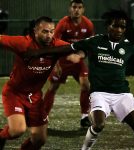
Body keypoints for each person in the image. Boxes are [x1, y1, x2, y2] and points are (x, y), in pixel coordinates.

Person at [26, 9, 134, 149]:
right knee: (98, 125)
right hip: (99, 94)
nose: (119, 30)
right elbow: (67, 48)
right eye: (115, 26)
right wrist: (39, 52)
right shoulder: (95, 41)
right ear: (108, 26)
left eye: (122, 27)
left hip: (122, 94)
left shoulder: (129, 48)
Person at [0, 16, 83, 150]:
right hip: (14, 93)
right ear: (35, 31)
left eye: (52, 31)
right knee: (17, 130)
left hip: (35, 97)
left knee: (39, 140)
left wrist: (77, 55)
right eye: (45, 31)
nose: (49, 35)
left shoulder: (56, 45)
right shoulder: (23, 43)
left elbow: (79, 47)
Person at [44, 0, 95, 128]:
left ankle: (84, 117)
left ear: (83, 10)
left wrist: (78, 55)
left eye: (79, 7)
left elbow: (89, 47)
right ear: (70, 9)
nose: (76, 10)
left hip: (77, 61)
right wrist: (55, 64)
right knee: (53, 87)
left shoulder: (88, 25)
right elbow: (54, 44)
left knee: (86, 85)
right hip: (62, 61)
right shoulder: (63, 23)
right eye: (74, 7)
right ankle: (43, 116)